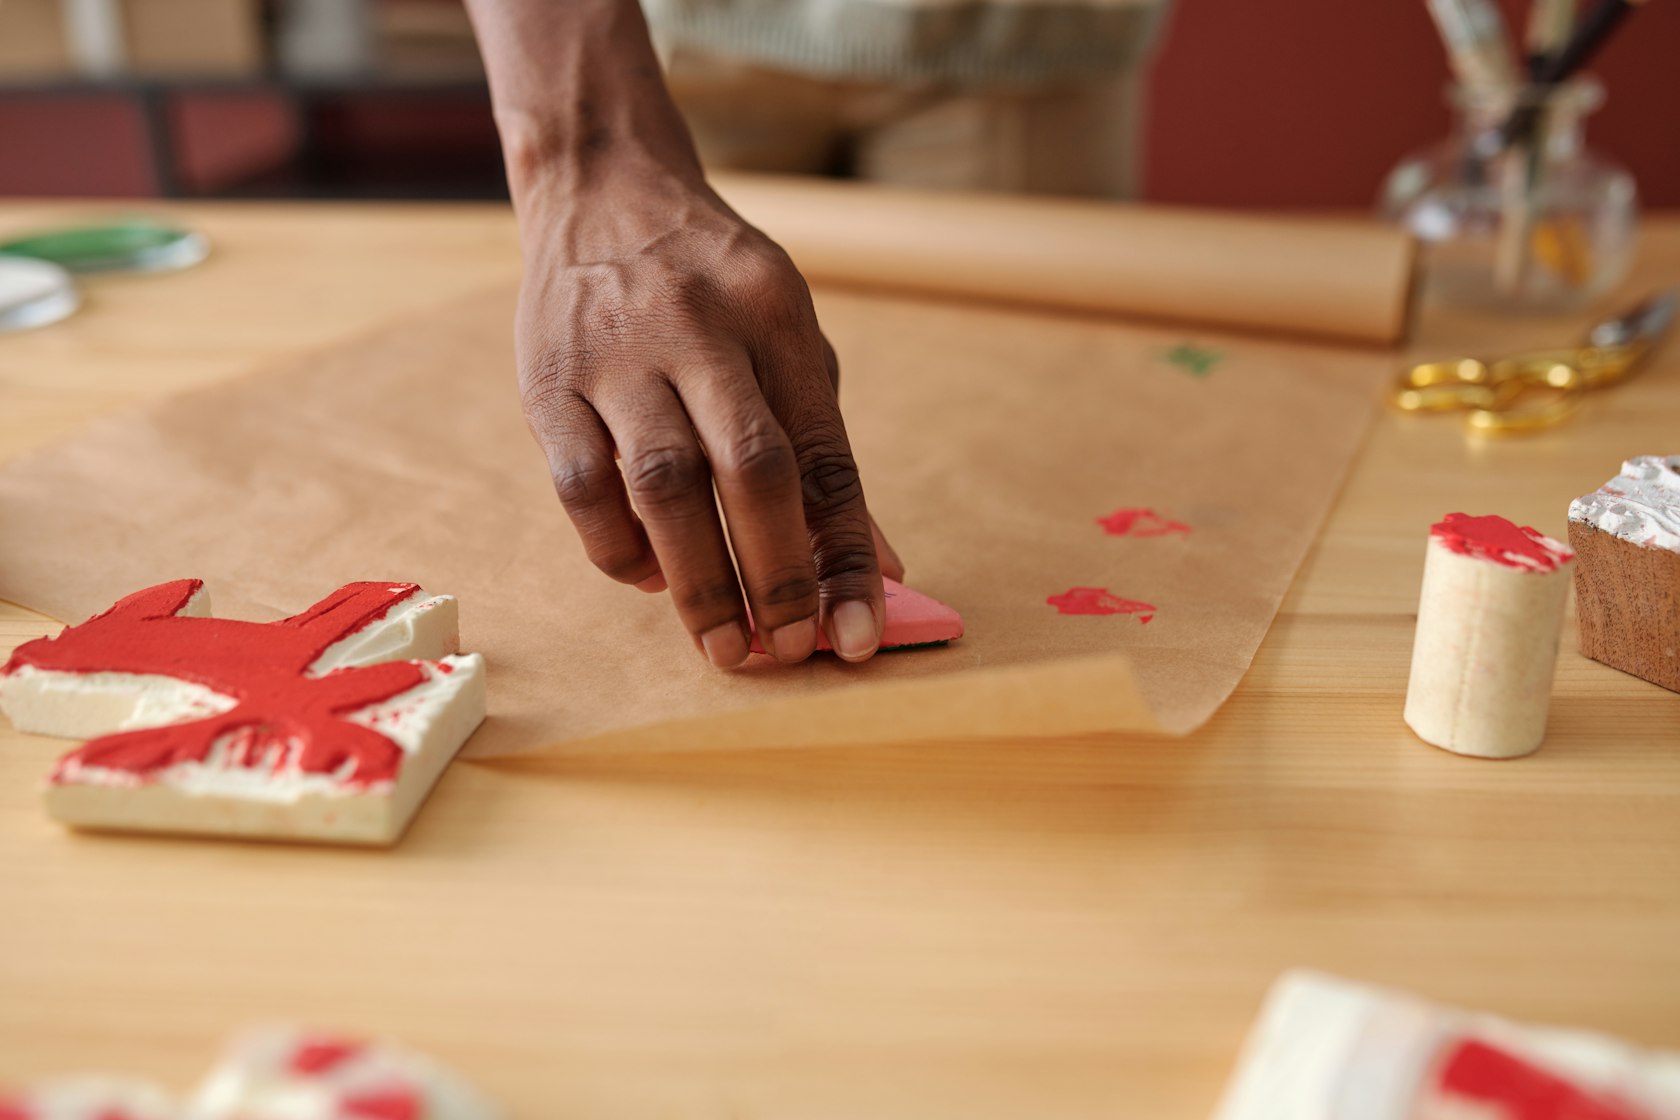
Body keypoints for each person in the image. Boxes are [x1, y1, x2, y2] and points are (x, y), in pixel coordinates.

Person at [461, 0, 1166, 669]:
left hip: (1023, 38)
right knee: (682, 396)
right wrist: (583, 155)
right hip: (655, 45)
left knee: (1031, 389)